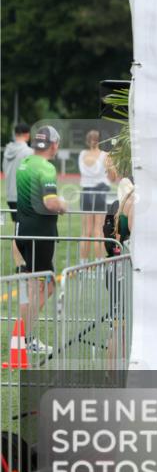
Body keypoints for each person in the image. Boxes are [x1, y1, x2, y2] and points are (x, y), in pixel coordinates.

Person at [15, 126, 69, 353]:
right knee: (46, 286)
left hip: (23, 230)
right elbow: (50, 202)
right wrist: (63, 204)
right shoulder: (46, 168)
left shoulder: (24, 164)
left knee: (31, 285)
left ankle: (23, 338)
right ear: (54, 144)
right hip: (41, 234)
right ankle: (26, 338)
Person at [78, 129, 110, 261]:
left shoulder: (82, 154)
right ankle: (99, 264)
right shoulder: (105, 155)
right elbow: (112, 176)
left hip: (86, 191)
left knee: (86, 231)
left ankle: (82, 264)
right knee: (98, 231)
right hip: (100, 192)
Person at [3, 123, 32, 265]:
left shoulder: (7, 150)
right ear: (27, 134)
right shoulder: (28, 152)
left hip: (10, 194)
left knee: (17, 229)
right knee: (24, 231)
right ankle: (22, 262)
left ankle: (18, 263)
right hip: (23, 195)